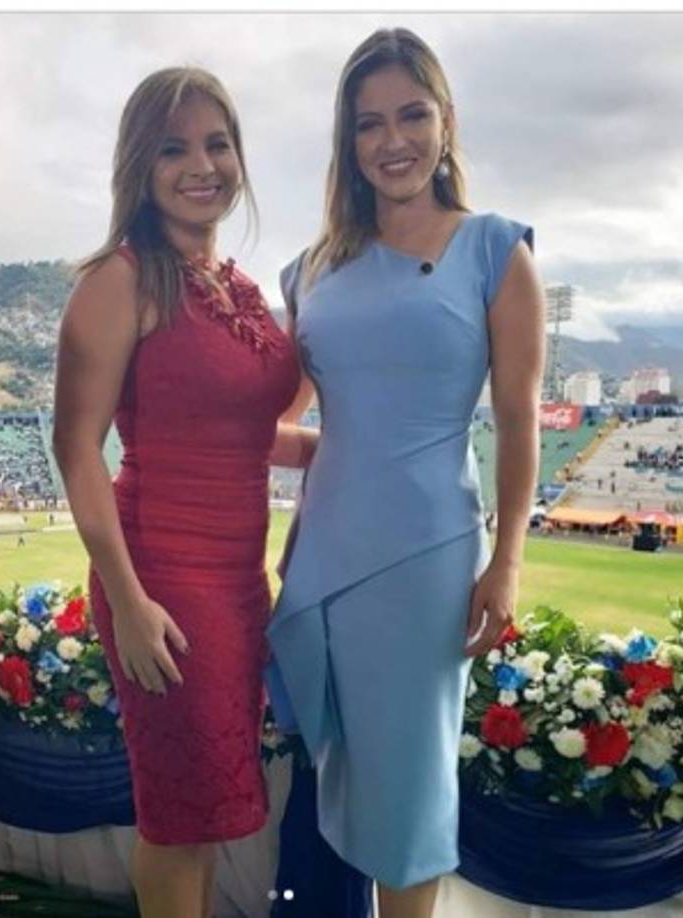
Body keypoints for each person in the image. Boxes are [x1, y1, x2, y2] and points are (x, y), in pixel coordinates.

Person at [264, 28, 546, 918]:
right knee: (343, 769)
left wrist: (505, 564)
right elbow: (279, 421)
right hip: (319, 558)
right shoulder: (307, 271)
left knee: (409, 792)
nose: (393, 141)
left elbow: (518, 417)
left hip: (427, 559)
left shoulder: (496, 251)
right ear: (347, 143)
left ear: (446, 121)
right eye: (369, 123)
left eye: (412, 115)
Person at [51, 68, 310, 918]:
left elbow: (233, 432)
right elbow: (76, 447)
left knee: (201, 818)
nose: (201, 165)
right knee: (176, 822)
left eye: (216, 142)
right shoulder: (119, 279)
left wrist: (348, 454)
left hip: (240, 585)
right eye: (174, 148)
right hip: (160, 578)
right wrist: (127, 601)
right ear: (140, 164)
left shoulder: (236, 285)